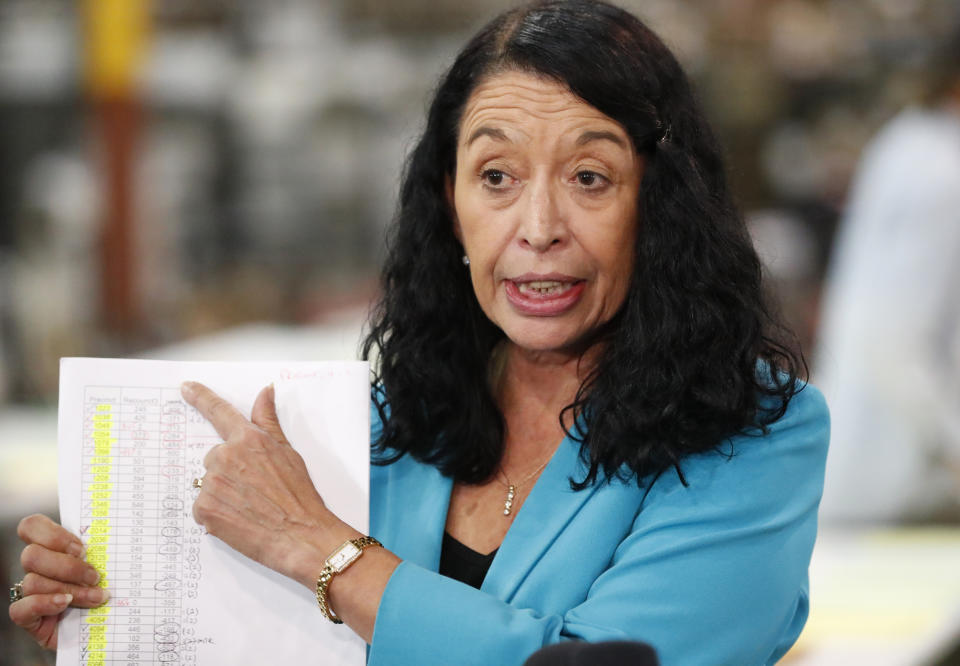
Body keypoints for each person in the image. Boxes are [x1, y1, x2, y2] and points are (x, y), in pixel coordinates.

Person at [10, 1, 829, 664]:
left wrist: (322, 552)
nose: (538, 227)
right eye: (497, 177)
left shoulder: (751, 436)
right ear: (451, 205)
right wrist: (125, 613)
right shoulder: (387, 418)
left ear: (659, 205)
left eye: (589, 177)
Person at [814, 29, 960, 524]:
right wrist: (949, 441)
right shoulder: (942, 172)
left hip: (876, 463)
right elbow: (895, 336)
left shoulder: (908, 143)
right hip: (904, 483)